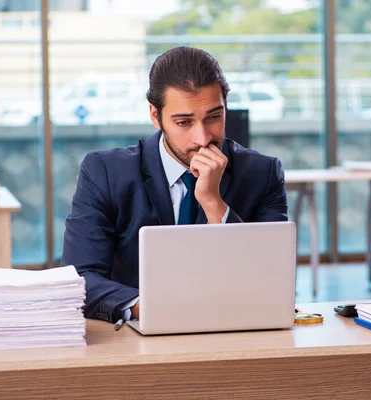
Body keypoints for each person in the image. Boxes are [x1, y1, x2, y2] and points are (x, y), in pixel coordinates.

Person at [61, 46, 288, 323]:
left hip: (234, 331)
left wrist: (214, 204)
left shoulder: (262, 173)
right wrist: (150, 307)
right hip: (136, 333)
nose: (203, 138)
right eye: (184, 122)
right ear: (155, 116)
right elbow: (79, 278)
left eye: (214, 117)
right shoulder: (105, 172)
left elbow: (270, 278)